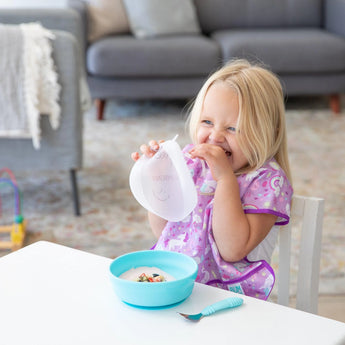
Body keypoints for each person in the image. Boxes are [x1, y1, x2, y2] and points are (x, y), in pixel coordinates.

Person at [131, 59, 293, 300]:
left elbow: (232, 249)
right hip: (177, 283)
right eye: (207, 122)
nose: (215, 137)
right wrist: (160, 177)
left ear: (269, 132)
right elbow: (164, 231)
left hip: (228, 298)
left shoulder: (268, 181)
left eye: (233, 129)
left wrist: (225, 178)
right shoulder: (190, 162)